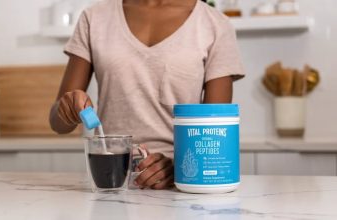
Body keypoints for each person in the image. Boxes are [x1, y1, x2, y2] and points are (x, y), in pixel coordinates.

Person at [49, 0, 244, 190]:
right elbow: (58, 123)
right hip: (113, 179)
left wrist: (177, 166)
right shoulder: (94, 18)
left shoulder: (215, 23)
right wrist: (67, 109)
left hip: (181, 185)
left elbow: (216, 132)